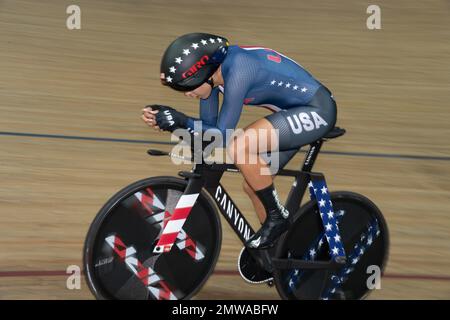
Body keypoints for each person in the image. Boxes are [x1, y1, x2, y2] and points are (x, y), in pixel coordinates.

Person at [142, 33, 337, 249]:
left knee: (240, 145)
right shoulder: (214, 79)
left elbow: (224, 135)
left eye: (188, 87)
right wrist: (173, 123)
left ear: (205, 74)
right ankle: (280, 253)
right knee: (254, 184)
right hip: (290, 114)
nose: (187, 94)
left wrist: (181, 119)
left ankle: (277, 218)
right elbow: (210, 133)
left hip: (317, 110)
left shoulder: (240, 68)